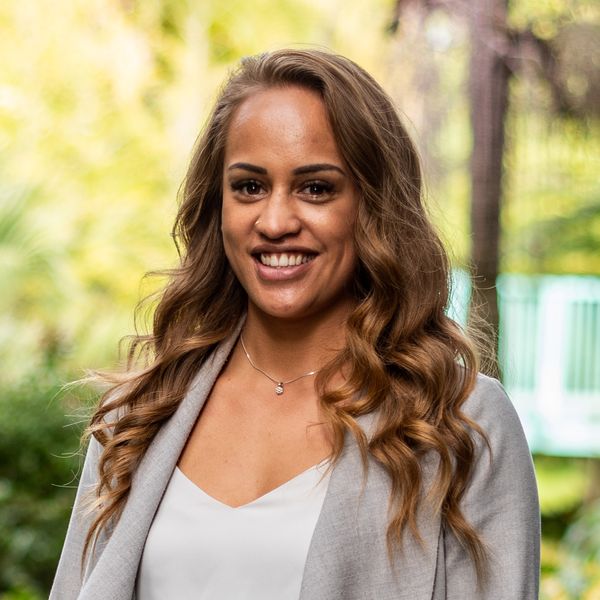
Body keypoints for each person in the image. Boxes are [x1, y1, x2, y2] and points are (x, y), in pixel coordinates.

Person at [51, 49, 540, 599]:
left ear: (372, 205)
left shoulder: (461, 425)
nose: (275, 221)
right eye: (249, 187)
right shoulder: (139, 415)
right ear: (218, 205)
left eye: (316, 188)